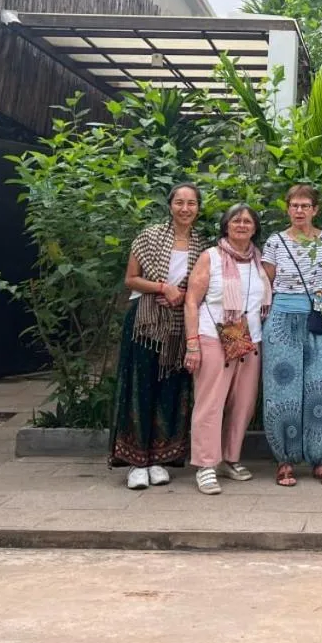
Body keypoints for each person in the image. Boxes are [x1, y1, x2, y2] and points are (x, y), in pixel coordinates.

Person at [110, 183, 208, 490]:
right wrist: (162, 288)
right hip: (145, 324)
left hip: (179, 326)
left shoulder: (202, 245)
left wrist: (181, 295)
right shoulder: (149, 237)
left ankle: (160, 459)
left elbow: (202, 287)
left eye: (191, 203)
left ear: (198, 208)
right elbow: (131, 279)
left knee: (171, 390)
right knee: (139, 389)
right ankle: (136, 462)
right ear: (170, 206)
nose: (185, 208)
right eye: (179, 202)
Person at [184, 203, 271, 495]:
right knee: (210, 403)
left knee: (243, 404)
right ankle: (205, 465)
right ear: (226, 226)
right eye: (236, 220)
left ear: (255, 228)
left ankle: (229, 458)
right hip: (213, 337)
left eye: (247, 221)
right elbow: (191, 301)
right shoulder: (210, 257)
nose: (242, 225)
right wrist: (192, 344)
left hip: (249, 340)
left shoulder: (259, 260)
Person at [260, 185, 322, 488]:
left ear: (315, 209)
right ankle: (285, 460)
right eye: (294, 205)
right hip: (282, 320)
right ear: (287, 208)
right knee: (282, 390)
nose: (299, 211)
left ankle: (321, 459)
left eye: (305, 205)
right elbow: (265, 284)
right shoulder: (275, 241)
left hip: (316, 319)